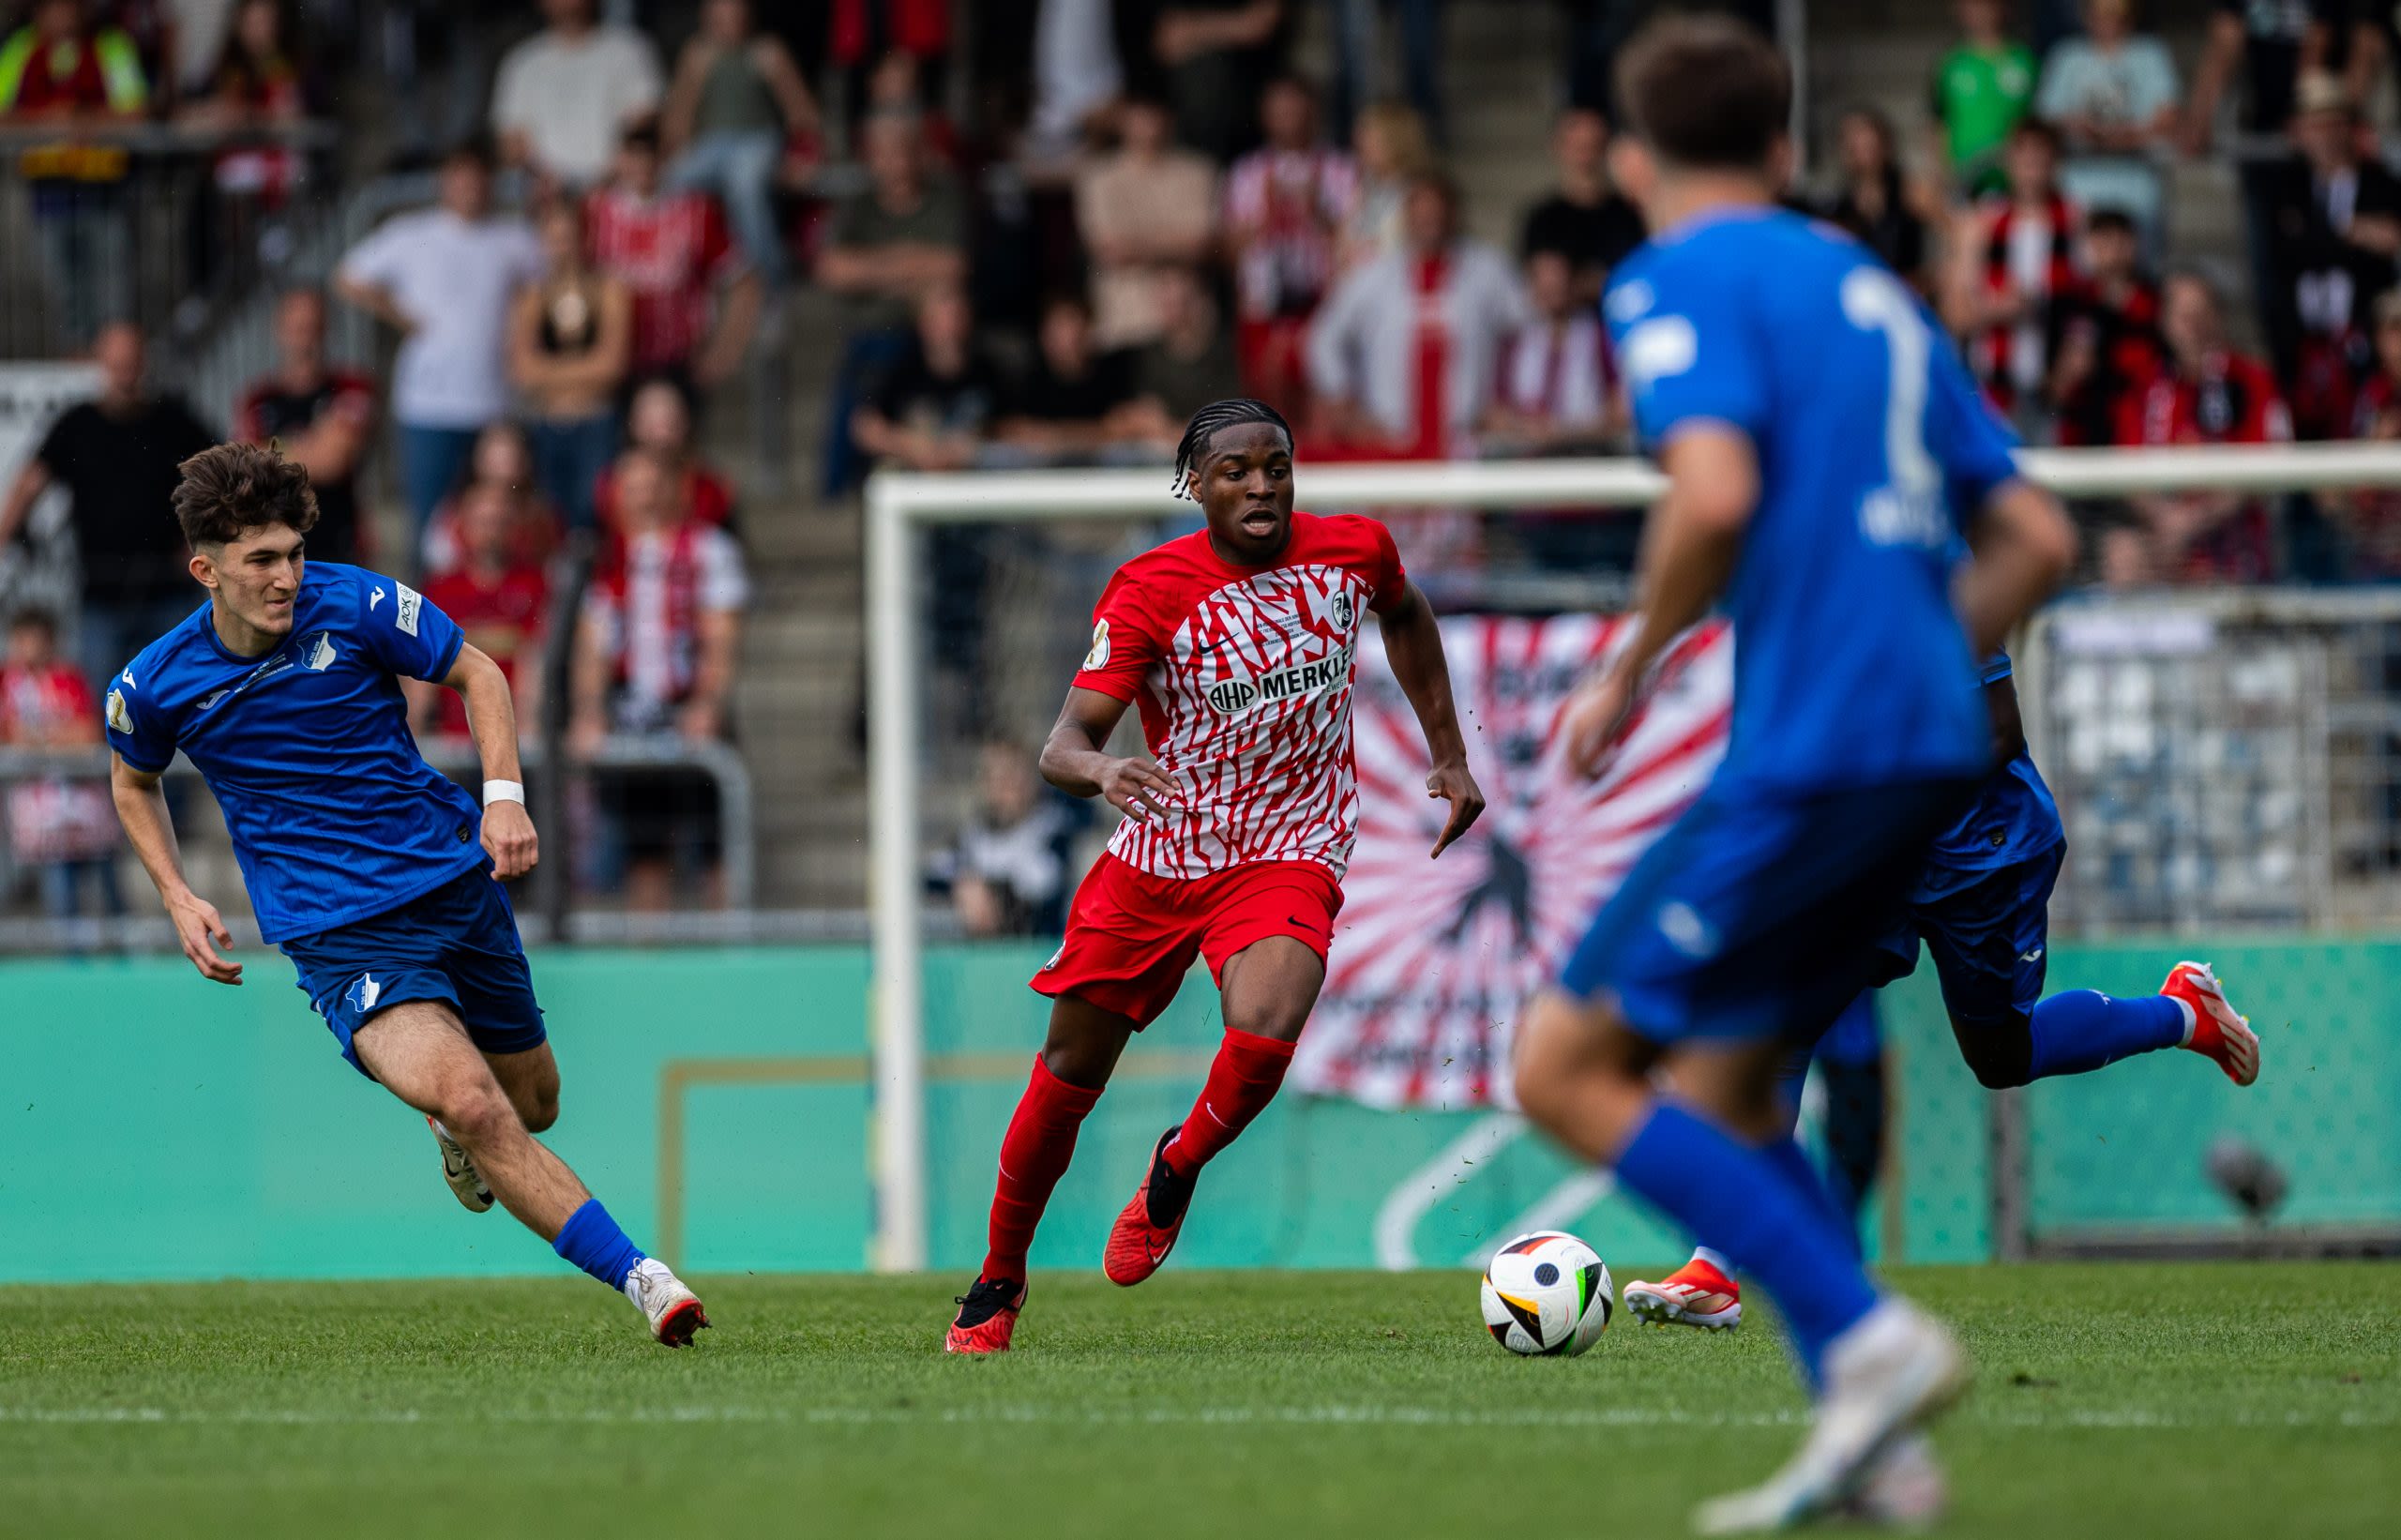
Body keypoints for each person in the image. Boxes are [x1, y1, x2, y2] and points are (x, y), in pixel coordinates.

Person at [1513, 18, 2076, 1527]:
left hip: (1819, 754)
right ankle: (1873, 1436)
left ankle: (1874, 1339)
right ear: (1782, 148)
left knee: (1562, 1066)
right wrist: (1912, 653)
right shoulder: (1875, 293)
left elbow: (1714, 490)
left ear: (1630, 161)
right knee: (1729, 1079)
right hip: (1938, 753)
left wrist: (1630, 662)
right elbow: (2039, 540)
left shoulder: (1676, 277)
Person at [104, 441, 707, 1345]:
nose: (286, 578)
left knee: (533, 1103)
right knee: (470, 1099)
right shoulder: (156, 683)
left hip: (450, 883)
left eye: (294, 553)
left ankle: (461, 1137)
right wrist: (176, 893)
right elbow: (131, 781)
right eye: (261, 561)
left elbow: (482, 673)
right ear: (207, 571)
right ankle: (646, 1280)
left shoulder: (356, 602)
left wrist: (503, 799)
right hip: (339, 933)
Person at [944, 398, 1484, 1354]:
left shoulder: (1354, 550)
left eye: (1275, 465)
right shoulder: (1149, 588)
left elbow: (1405, 613)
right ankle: (998, 1276)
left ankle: (1177, 1165)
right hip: (1164, 852)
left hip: (1289, 842)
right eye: (1234, 471)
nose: (1261, 485)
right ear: (1195, 486)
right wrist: (1107, 769)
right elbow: (1062, 744)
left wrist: (1447, 750)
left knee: (1270, 1017)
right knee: (1067, 1077)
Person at [335, 138, 544, 538]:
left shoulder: (514, 238)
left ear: (491, 183)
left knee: (498, 524)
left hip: (494, 402)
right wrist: (400, 315)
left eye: (478, 178)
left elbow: (547, 288)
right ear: (445, 182)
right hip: (428, 403)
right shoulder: (412, 233)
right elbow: (348, 277)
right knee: (428, 527)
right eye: (460, 178)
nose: (470, 187)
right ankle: (422, 602)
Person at [569, 448, 747, 913]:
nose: (643, 499)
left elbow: (721, 639)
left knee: (714, 849)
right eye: (632, 489)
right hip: (632, 714)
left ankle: (728, 957)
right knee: (644, 853)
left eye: (652, 486)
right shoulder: (606, 560)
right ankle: (648, 957)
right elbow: (592, 648)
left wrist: (708, 702)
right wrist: (589, 713)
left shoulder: (709, 549)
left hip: (689, 706)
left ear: (675, 490)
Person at [0, 322, 218, 689]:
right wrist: (5, 535)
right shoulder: (78, 424)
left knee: (178, 699)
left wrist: (209, 545)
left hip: (168, 588)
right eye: (117, 364)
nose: (125, 373)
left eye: (131, 362)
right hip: (100, 596)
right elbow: (30, 483)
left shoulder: (173, 419)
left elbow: (219, 478)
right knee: (105, 707)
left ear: (144, 362)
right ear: (100, 362)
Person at [1306, 171, 1531, 457]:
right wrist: (1340, 397)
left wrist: (1509, 400)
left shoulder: (1489, 270)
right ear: (1407, 217)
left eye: (1438, 214)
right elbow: (1325, 336)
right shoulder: (1374, 275)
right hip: (1391, 438)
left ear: (1454, 215)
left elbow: (1531, 330)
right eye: (1422, 214)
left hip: (1466, 441)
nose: (1431, 224)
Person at [815, 108, 970, 494]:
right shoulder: (859, 205)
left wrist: (872, 269)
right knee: (860, 384)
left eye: (902, 150)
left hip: (925, 335)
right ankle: (837, 490)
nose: (895, 161)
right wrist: (911, 262)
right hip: (871, 338)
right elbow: (833, 269)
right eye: (884, 151)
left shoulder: (943, 198)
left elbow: (951, 266)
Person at [2184, 0, 2339, 381]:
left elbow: (2317, 43)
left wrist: (2301, 111)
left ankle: (2331, 375)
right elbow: (2224, 47)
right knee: (2270, 277)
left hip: (2317, 139)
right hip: (2267, 142)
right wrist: (2200, 117)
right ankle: (2289, 375)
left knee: (2328, 260)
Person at [2115, 269, 2293, 583]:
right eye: (2183, 316)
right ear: (2165, 322)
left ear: (2218, 318)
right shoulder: (2143, 388)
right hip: (2165, 541)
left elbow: (2263, 471)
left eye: (2201, 314)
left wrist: (2192, 521)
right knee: (2122, 552)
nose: (2193, 327)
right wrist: (2168, 521)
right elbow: (2130, 475)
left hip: (2234, 544)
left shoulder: (2252, 381)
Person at [0, 0, 149, 351]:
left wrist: (87, 120)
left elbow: (137, 113)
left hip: (104, 189)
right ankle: (78, 366)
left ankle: (115, 363)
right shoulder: (20, 48)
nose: (63, 15)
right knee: (65, 298)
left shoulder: (112, 45)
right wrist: (48, 120)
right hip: (49, 193)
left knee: (113, 293)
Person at [2266, 73, 2401, 441]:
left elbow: (2389, 245)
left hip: (2364, 343)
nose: (2324, 135)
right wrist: (2354, 234)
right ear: (2299, 131)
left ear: (2350, 128)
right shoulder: (2286, 189)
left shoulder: (2382, 184)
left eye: (2332, 124)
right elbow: (2285, 255)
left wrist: (2321, 238)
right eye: (2314, 125)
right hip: (2306, 343)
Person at [586, 117, 763, 397]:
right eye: (634, 154)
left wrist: (724, 354)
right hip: (617, 365)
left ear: (665, 157)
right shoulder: (596, 214)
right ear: (619, 158)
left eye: (651, 154)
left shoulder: (695, 213)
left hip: (680, 362)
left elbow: (745, 283)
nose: (643, 165)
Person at [1223, 75, 1359, 416]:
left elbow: (1354, 240)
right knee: (1267, 399)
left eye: (1295, 108)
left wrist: (1318, 214)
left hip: (1323, 301)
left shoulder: (1340, 169)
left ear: (1312, 111)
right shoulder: (1247, 172)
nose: (1288, 117)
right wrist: (1266, 218)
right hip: (1265, 302)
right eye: (1279, 109)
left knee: (1321, 395)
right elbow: (1230, 247)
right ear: (1265, 115)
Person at [662, 0, 818, 292]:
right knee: (671, 180)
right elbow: (678, 120)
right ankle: (698, 274)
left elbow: (802, 111)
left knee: (744, 183)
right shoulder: (697, 54)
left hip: (758, 140)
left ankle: (771, 281)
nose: (729, 19)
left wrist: (802, 154)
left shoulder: (768, 51)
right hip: (710, 144)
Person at [1945, 118, 2078, 431]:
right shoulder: (1981, 224)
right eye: (2024, 154)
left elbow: (2089, 308)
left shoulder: (2074, 220)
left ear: (2055, 161)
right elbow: (1955, 315)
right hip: (1993, 383)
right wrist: (2001, 309)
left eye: (2040, 154)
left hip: (2056, 386)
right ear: (2009, 161)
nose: (2031, 163)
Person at [508, 201, 631, 534]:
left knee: (594, 515)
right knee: (554, 520)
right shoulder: (533, 296)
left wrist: (549, 370)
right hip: (549, 424)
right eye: (555, 239)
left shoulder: (608, 290)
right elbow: (523, 372)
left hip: (596, 421)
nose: (564, 247)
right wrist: (586, 368)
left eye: (570, 237)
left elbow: (612, 367)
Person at [0, 605, 121, 923]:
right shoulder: (7, 683)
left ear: (50, 641)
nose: (29, 647)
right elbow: (9, 735)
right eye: (22, 639)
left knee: (108, 882)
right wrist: (55, 738)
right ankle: (72, 959)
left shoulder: (69, 678)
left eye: (36, 639)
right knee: (61, 887)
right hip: (41, 808)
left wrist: (37, 738)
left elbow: (89, 734)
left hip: (83, 800)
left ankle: (126, 950)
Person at [239, 288, 375, 566]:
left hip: (340, 541)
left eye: (313, 327)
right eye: (297, 328)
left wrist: (273, 449)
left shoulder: (351, 388)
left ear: (327, 330)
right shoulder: (257, 399)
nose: (305, 338)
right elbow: (248, 468)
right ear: (279, 331)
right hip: (276, 546)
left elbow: (331, 462)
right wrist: (312, 444)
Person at [1073, 97, 1219, 350]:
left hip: (1191, 325)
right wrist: (1177, 243)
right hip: (1123, 322)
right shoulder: (1097, 177)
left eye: (1153, 114)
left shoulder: (1199, 171)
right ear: (1122, 119)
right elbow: (1109, 250)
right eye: (1138, 115)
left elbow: (1202, 244)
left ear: (1169, 118)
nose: (1146, 125)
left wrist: (1134, 244)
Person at [2032, 0, 2178, 247]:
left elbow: (2167, 119)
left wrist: (2113, 136)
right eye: (2100, 13)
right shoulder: (2067, 56)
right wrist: (2085, 128)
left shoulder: (2150, 54)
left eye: (2116, 13)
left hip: (2136, 184)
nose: (2108, 21)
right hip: (2079, 186)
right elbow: (2047, 119)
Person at [416, 483, 552, 741]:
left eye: (499, 522)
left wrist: (525, 733)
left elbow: (535, 660)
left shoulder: (535, 585)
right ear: (463, 526)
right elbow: (420, 669)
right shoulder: (441, 589)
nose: (490, 532)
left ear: (514, 528)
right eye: (482, 522)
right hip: (452, 735)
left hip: (514, 731)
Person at [491, 0, 663, 192]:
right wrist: (546, 181)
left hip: (618, 189)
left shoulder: (630, 50)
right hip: (543, 194)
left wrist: (606, 178)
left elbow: (644, 123)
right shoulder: (521, 63)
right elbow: (511, 143)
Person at [928, 740, 1084, 937]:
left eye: (1014, 777)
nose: (1007, 788)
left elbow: (1045, 886)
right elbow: (935, 874)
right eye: (998, 779)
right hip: (982, 953)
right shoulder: (972, 836)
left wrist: (993, 895)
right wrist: (962, 886)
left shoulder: (1052, 828)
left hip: (1038, 949)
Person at [1482, 249, 1621, 455]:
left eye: (1557, 278)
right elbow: (1494, 415)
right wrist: (1525, 428)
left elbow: (1620, 412)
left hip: (1586, 459)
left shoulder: (1599, 338)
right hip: (1527, 462)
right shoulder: (1514, 343)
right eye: (1542, 278)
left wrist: (1565, 432)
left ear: (1573, 283)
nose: (1550, 287)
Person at [2046, 206, 2164, 448]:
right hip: (2084, 437)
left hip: (2144, 435)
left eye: (2120, 239)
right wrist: (2068, 372)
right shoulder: (2071, 305)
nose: (2112, 250)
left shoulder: (2158, 305)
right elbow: (2052, 392)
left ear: (2134, 244)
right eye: (2103, 239)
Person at [995, 293, 1148, 462]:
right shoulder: (1029, 378)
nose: (1068, 337)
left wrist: (1058, 437)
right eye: (1058, 328)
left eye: (1073, 325)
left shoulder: (1112, 372)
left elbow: (1125, 426)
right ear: (1044, 335)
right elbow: (1011, 429)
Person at [1518, 107, 1647, 304]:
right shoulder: (1542, 219)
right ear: (1558, 147)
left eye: (1593, 146)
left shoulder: (1632, 214)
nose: (1585, 157)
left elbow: (1644, 278)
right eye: (1577, 147)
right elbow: (1542, 290)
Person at [593, 377, 738, 534]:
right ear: (632, 422)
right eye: (651, 414)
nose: (662, 422)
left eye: (669, 413)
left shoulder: (711, 488)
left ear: (685, 421)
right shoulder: (610, 484)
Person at [1153, 0, 1288, 163]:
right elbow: (1169, 41)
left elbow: (1260, 24)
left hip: (1253, 118)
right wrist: (1234, 26)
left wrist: (1195, 31)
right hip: (1194, 125)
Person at [1930, 0, 2038, 197]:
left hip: (2017, 181)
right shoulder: (1951, 63)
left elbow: (2039, 118)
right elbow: (1938, 121)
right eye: (1973, 5)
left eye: (1987, 5)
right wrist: (1943, 170)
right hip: (1965, 178)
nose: (1981, 12)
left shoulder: (2025, 59)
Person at [1820, 105, 1930, 294]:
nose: (1859, 145)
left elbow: (1947, 241)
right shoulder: (1838, 209)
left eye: (1865, 138)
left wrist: (1927, 279)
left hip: (1908, 296)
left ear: (1883, 143)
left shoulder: (1912, 193)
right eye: (1851, 141)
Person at [1338, 99, 1434, 270]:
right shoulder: (1363, 188)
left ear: (1395, 141)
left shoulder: (1418, 194)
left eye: (1369, 134)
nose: (1359, 141)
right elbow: (1341, 247)